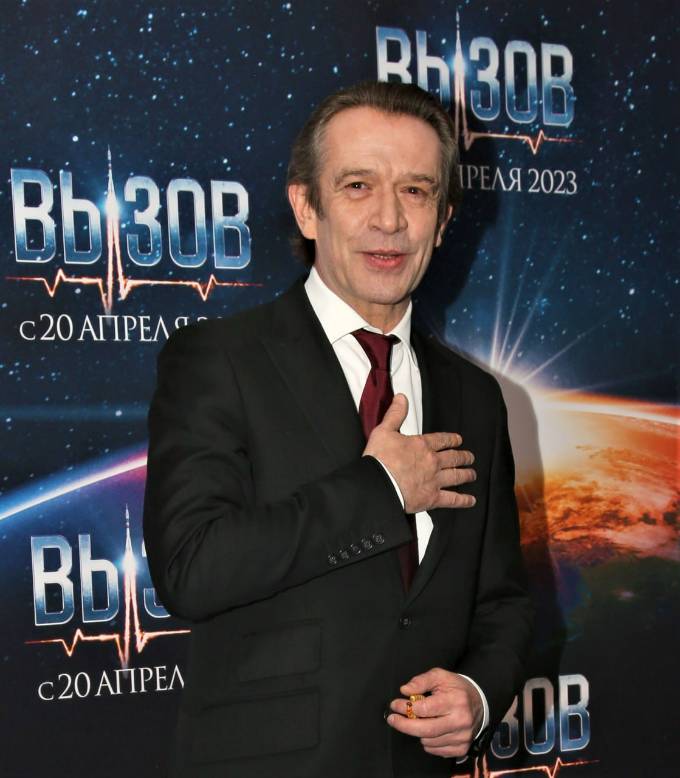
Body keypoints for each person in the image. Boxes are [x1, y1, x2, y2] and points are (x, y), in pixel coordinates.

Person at [143, 81, 533, 778]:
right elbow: (192, 570)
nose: (389, 219)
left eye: (416, 191)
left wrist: (478, 694)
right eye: (358, 186)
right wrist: (380, 489)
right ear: (307, 206)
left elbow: (500, 598)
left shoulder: (476, 397)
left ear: (444, 219)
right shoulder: (219, 361)